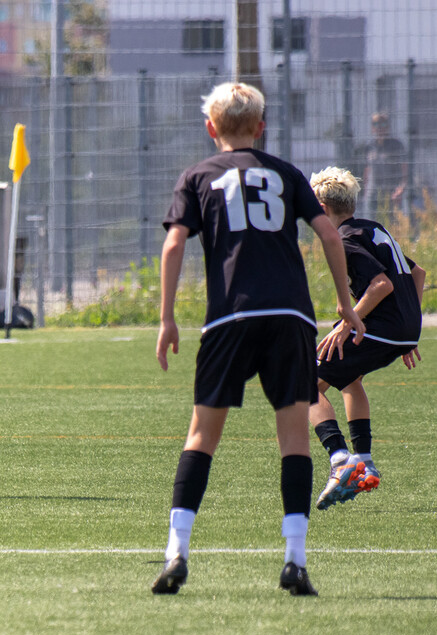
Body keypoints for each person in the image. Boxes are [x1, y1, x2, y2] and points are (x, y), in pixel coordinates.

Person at [151, 82, 365, 597]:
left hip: (230, 316)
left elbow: (174, 242)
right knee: (293, 436)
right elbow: (331, 235)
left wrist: (166, 317)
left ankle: (176, 552)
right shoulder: (286, 173)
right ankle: (294, 560)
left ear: (211, 128)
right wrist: (344, 304)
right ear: (261, 128)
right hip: (290, 314)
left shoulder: (198, 175)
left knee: (202, 435)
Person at [307, 166, 426, 510]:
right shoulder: (372, 229)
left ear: (322, 208)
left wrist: (348, 321)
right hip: (399, 329)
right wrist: (411, 330)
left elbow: (381, 285)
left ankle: (341, 459)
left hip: (381, 326)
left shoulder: (344, 239)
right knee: (349, 378)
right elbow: (416, 273)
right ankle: (365, 461)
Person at [362, 112, 409, 217]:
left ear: (388, 127)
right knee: (372, 226)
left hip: (392, 194)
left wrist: (401, 189)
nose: (379, 128)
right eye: (376, 124)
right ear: (372, 128)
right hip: (373, 194)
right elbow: (367, 170)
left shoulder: (396, 145)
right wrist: (365, 191)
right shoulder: (369, 146)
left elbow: (405, 169)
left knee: (393, 225)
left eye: (383, 125)